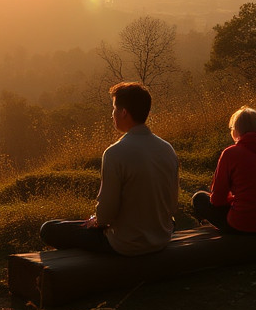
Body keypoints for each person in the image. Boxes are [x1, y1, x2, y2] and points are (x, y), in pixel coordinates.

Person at [39, 82, 180, 255]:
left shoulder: (115, 153)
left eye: (114, 108)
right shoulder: (167, 149)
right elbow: (173, 205)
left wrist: (97, 220)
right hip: (161, 238)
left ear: (123, 112)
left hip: (125, 244)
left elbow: (106, 214)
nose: (112, 115)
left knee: (49, 229)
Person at [192, 106, 256, 235]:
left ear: (235, 131)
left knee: (200, 198)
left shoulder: (230, 154)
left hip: (242, 225)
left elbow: (217, 200)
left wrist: (233, 199)